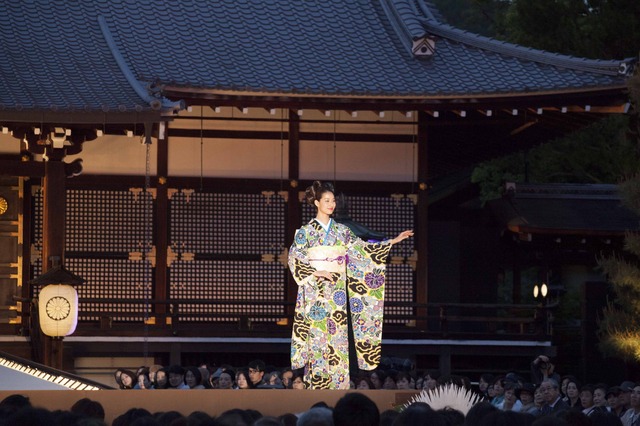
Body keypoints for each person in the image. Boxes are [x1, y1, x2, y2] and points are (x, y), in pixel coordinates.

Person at [288, 181, 413, 390]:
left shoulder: (342, 231)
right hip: (315, 292)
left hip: (336, 293)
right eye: (327, 200)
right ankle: (317, 388)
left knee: (337, 339)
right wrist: (315, 271)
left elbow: (362, 250)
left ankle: (338, 389)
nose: (331, 204)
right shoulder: (305, 232)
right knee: (317, 339)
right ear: (317, 202)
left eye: (333, 201)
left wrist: (392, 241)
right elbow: (295, 257)